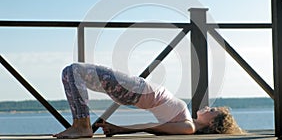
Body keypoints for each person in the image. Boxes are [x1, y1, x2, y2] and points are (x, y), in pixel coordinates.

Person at [53, 63, 243, 139]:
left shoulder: (188, 127)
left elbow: (152, 126)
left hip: (136, 90)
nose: (209, 106)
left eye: (213, 110)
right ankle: (79, 123)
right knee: (69, 74)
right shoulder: (188, 123)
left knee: (74, 70)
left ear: (212, 123)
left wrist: (121, 129)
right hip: (135, 90)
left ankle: (82, 125)